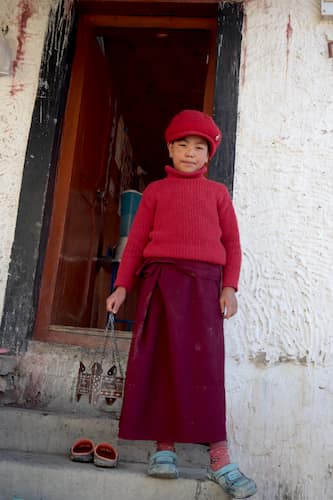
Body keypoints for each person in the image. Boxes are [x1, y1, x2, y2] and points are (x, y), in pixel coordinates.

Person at [106, 109, 257, 498]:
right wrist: (122, 286)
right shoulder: (156, 191)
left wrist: (230, 287)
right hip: (160, 283)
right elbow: (136, 243)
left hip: (206, 286)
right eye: (183, 145)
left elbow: (233, 245)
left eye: (199, 147)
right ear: (170, 149)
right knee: (161, 362)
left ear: (209, 155)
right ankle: (164, 448)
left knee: (205, 367)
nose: (190, 152)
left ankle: (219, 458)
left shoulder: (218, 194)